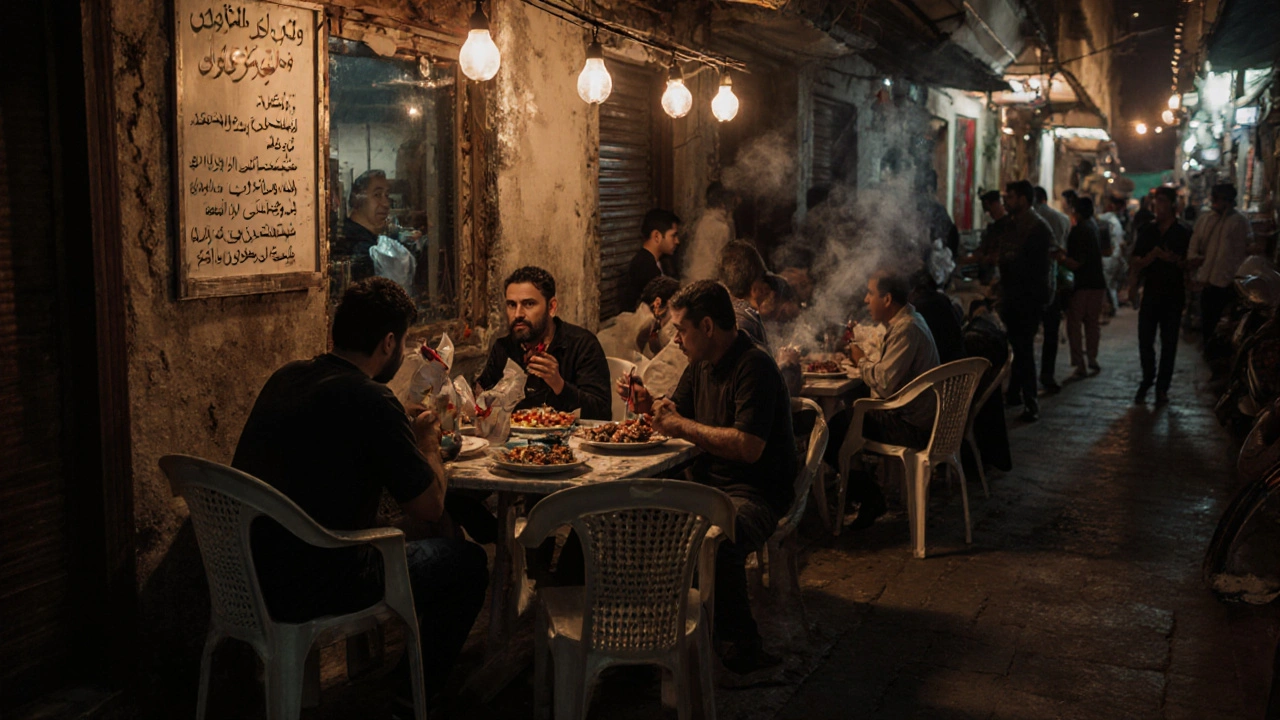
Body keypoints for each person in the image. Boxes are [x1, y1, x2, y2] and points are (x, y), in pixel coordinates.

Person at [232, 278, 488, 706]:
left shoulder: (289, 376)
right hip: (324, 582)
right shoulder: (371, 401)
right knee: (467, 562)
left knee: (414, 535)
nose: (404, 352)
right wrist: (426, 442)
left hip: (250, 571)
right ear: (388, 342)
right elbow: (429, 505)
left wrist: (391, 418)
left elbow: (336, 433)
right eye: (405, 343)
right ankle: (408, 699)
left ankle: (383, 677)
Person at [620, 280, 796, 677]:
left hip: (756, 491)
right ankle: (641, 635)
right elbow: (675, 412)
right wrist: (650, 403)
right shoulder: (699, 363)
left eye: (681, 330)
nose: (676, 340)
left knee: (718, 538)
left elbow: (748, 447)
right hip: (706, 485)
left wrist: (679, 424)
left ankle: (740, 652)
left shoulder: (755, 366)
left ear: (708, 327)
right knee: (627, 519)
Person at [823, 272, 941, 529]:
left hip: (911, 426)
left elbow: (885, 383)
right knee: (844, 420)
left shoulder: (907, 328)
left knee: (828, 433)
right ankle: (868, 496)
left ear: (887, 299)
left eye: (870, 293)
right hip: (915, 418)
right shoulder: (909, 321)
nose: (866, 300)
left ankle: (869, 498)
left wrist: (860, 359)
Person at [476, 266, 612, 420]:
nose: (518, 314)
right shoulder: (504, 347)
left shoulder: (582, 345)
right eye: (512, 305)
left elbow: (602, 412)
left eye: (529, 304)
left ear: (551, 307)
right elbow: (482, 396)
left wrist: (559, 385)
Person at [1130, 186, 1193, 404]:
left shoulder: (1184, 232)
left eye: (1163, 202)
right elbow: (1135, 261)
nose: (1159, 206)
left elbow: (1190, 264)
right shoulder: (1148, 231)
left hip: (1174, 295)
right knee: (1145, 340)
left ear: (1173, 205)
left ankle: (1162, 388)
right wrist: (1151, 258)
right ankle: (1148, 378)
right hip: (1151, 293)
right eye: (1157, 202)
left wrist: (1175, 260)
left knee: (1169, 344)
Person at [718, 240, 802, 396]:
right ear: (755, 287)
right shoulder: (743, 322)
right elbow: (757, 389)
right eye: (762, 279)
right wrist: (783, 364)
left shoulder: (724, 313)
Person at [1000, 181, 1054, 421]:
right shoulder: (1013, 225)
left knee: (1024, 349)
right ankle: (1014, 394)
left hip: (1027, 299)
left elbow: (1037, 270)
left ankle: (1030, 401)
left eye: (1010, 197)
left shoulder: (1037, 228)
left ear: (1023, 199)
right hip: (1013, 296)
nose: (1006, 202)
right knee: (1018, 348)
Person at [1189, 183, 1254, 358]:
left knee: (1224, 325)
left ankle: (1219, 360)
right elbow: (1195, 244)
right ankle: (1209, 356)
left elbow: (1242, 251)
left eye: (1221, 199)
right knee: (1208, 323)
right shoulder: (1206, 220)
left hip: (1227, 281)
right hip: (1207, 280)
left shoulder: (1238, 221)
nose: (1216, 202)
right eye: (1216, 198)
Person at [1057, 197, 1107, 378]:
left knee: (1074, 324)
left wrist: (1060, 258)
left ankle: (1080, 364)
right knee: (1092, 323)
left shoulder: (1078, 231)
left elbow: (1075, 263)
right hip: (1098, 283)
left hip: (1082, 284)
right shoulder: (1096, 227)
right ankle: (1092, 358)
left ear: (1076, 212)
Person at [1033, 185, 1071, 394]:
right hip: (1053, 283)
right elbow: (1063, 251)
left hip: (1034, 285)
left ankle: (1021, 382)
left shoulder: (1030, 220)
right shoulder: (1063, 220)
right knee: (1051, 333)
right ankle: (1047, 375)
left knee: (1027, 336)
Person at [598, 275, 681, 361]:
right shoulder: (648, 325)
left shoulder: (622, 319)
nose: (676, 317)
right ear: (658, 303)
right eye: (675, 308)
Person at [335, 170, 391, 283]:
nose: (386, 204)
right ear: (357, 199)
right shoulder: (359, 248)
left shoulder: (368, 239)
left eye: (387, 195)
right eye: (377, 195)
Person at [623, 209, 680, 312]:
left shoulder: (662, 262)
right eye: (673, 235)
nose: (677, 241)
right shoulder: (643, 266)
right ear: (657, 236)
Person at [683, 182, 737, 282]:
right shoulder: (722, 228)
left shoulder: (702, 220)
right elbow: (722, 263)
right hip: (708, 280)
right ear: (723, 203)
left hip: (691, 278)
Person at [910, 271, 967, 364]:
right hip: (959, 364)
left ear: (915, 290)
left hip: (942, 369)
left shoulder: (918, 309)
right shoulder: (942, 299)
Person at [1097, 195, 1128, 317]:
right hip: (1116, 256)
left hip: (1111, 257)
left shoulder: (1109, 219)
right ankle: (1112, 307)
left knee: (1108, 284)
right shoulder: (1115, 221)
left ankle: (1111, 308)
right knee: (1111, 285)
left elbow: (1097, 217)